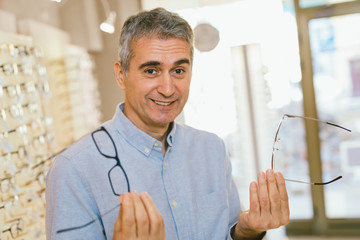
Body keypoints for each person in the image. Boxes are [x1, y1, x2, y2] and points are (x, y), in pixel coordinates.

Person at [46, 7, 289, 240]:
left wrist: (246, 231)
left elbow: (227, 234)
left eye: (178, 70)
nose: (167, 88)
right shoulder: (73, 169)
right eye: (151, 71)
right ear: (122, 75)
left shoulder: (212, 149)